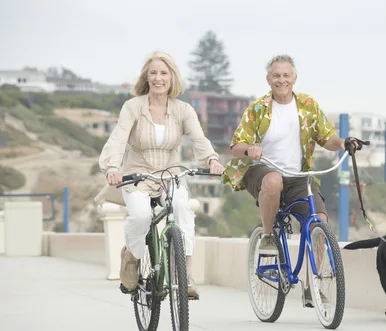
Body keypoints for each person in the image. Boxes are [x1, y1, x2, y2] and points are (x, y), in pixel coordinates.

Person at [222, 54, 357, 306]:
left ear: (294, 78)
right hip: (262, 170)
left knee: (320, 220)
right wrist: (250, 149)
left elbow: (326, 137)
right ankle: (268, 236)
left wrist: (342, 143)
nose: (281, 80)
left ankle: (312, 283)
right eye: (276, 75)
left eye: (286, 75)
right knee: (273, 181)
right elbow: (236, 145)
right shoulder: (258, 108)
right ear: (268, 79)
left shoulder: (307, 105)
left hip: (298, 175)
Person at [98, 51, 225, 299]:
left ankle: (186, 274)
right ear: (147, 76)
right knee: (142, 215)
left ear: (172, 78)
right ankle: (131, 258)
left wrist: (211, 159)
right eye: (153, 72)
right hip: (137, 176)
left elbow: (199, 139)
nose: (158, 78)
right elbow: (118, 139)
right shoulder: (133, 107)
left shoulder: (183, 110)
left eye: (163, 73)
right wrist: (113, 168)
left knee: (182, 208)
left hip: (170, 175)